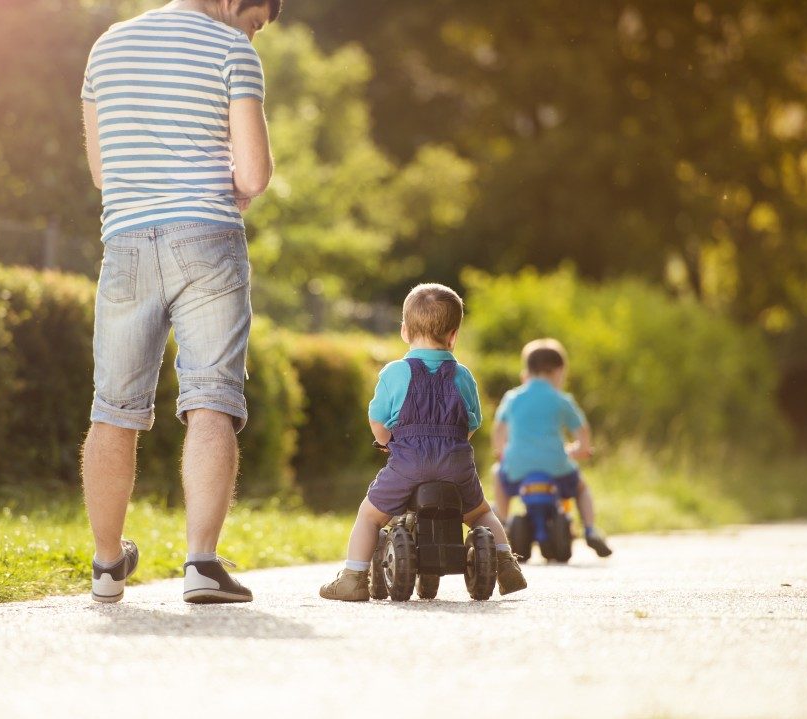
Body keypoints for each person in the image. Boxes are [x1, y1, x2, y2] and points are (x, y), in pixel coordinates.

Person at [79, 0, 282, 605]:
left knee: (113, 406)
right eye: (255, 21)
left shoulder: (106, 47)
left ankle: (108, 567)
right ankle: (200, 566)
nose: (252, 33)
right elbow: (253, 174)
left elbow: (100, 172)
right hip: (207, 239)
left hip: (127, 244)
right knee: (212, 399)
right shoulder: (231, 51)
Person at [320, 284, 528, 601]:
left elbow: (377, 418)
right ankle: (506, 563)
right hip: (456, 465)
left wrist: (386, 442)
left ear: (405, 330)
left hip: (408, 463)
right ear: (454, 335)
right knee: (481, 514)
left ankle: (353, 577)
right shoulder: (463, 375)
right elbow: (472, 422)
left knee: (370, 516)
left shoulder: (395, 372)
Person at [492, 339, 613, 558]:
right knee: (581, 488)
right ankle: (590, 529)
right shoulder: (561, 400)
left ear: (527, 371)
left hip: (518, 468)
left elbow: (499, 430)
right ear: (559, 371)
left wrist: (502, 453)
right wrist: (581, 449)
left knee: (497, 474)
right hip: (556, 467)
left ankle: (504, 521)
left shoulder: (512, 398)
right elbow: (582, 431)